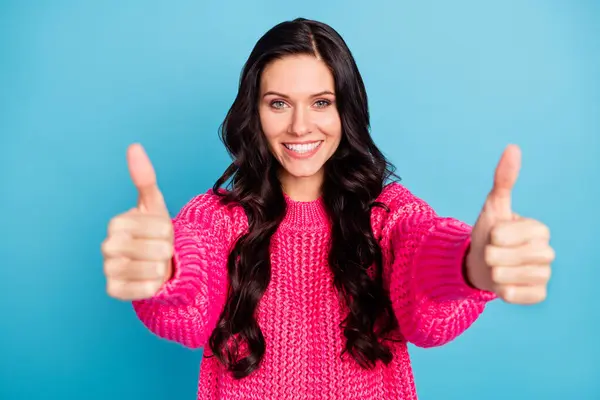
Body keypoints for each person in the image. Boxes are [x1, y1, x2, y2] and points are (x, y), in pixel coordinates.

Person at [101, 18, 555, 400]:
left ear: (347, 111)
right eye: (278, 103)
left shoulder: (388, 214)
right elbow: (189, 308)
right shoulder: (217, 217)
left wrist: (470, 265)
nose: (301, 126)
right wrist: (165, 272)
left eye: (321, 103)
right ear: (253, 113)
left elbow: (426, 298)